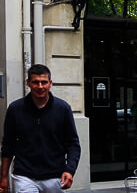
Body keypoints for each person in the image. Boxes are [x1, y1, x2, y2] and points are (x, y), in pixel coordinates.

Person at [0, 64, 81, 193]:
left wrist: (69, 170)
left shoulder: (63, 109)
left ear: (50, 83)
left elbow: (73, 144)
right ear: (28, 83)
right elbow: (8, 145)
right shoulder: (15, 109)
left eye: (44, 82)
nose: (40, 87)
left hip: (55, 176)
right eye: (35, 82)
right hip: (24, 176)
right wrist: (3, 177)